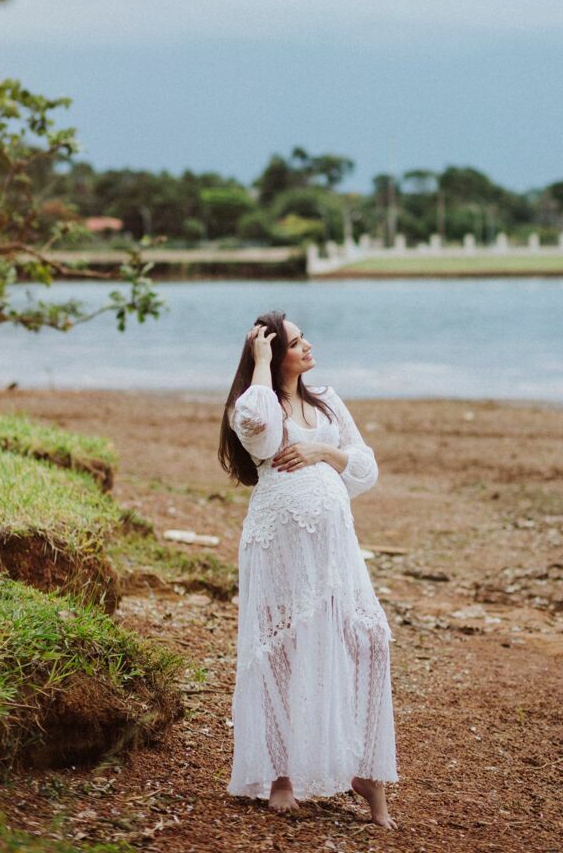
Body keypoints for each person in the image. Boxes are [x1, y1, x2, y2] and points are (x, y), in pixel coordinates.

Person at [218, 310, 397, 824]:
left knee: (369, 639)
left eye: (301, 339)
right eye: (296, 343)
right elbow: (257, 428)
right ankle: (279, 774)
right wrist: (259, 364)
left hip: (335, 548)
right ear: (275, 355)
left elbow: (365, 467)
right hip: (280, 543)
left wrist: (322, 451)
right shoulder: (257, 403)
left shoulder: (327, 401)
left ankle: (365, 771)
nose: (308, 346)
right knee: (281, 649)